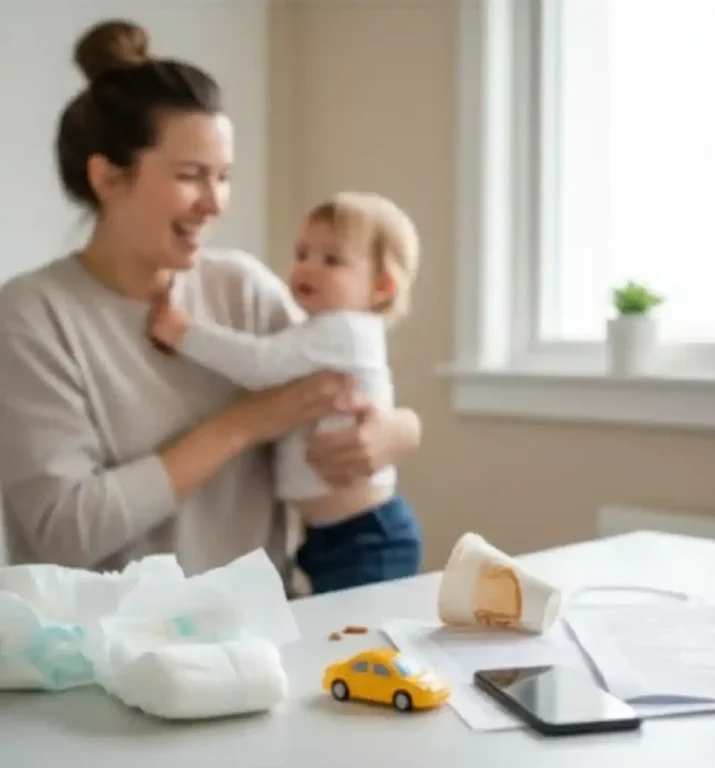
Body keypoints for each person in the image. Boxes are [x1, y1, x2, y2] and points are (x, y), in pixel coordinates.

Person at [0, 19, 422, 580]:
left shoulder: (243, 288)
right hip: (109, 649)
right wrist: (240, 426)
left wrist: (400, 430)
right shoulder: (32, 317)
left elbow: (343, 377)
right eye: (192, 176)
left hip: (262, 632)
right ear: (106, 178)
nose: (215, 202)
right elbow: (66, 530)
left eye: (224, 177)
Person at [148, 191, 422, 594]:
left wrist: (184, 333)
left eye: (332, 260)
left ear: (381, 287)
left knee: (360, 646)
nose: (307, 267)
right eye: (303, 253)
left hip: (363, 536)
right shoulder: (320, 332)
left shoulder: (343, 330)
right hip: (332, 536)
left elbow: (259, 365)